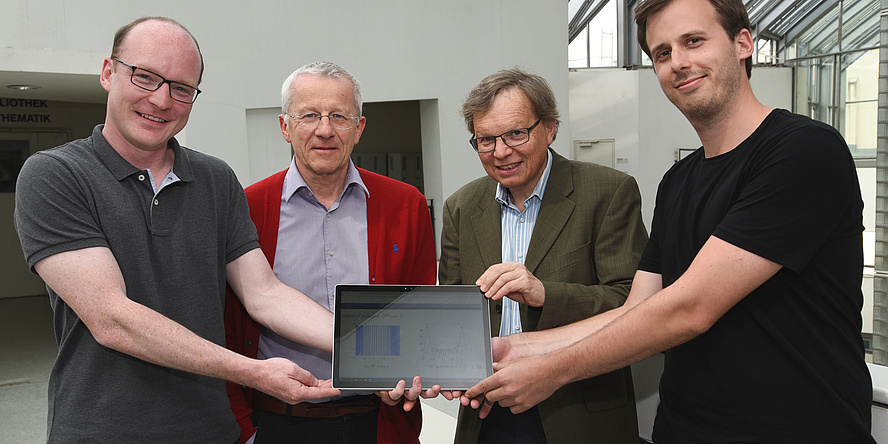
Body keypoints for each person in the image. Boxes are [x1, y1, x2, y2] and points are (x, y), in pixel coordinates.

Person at [461, 0, 875, 442]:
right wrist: (521, 346)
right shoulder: (679, 180)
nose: (678, 63)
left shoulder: (802, 152)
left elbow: (690, 309)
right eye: (662, 53)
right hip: (685, 429)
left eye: (693, 41)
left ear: (743, 43)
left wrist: (552, 370)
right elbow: (636, 309)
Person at [13, 17, 341, 443]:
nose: (162, 99)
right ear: (109, 73)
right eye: (145, 77)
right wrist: (254, 373)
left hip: (210, 431)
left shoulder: (215, 178)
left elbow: (265, 294)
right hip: (101, 432)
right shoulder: (55, 175)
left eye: (181, 88)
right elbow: (113, 319)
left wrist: (367, 343)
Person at [224, 61, 438, 444]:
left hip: (378, 424)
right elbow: (225, 328)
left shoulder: (406, 205)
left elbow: (419, 313)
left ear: (359, 128)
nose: (324, 130)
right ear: (284, 126)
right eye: (309, 115)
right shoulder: (247, 208)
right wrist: (245, 430)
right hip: (275, 424)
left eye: (339, 116)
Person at [438, 68, 648, 443]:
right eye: (485, 139)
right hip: (487, 413)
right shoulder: (461, 207)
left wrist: (545, 294)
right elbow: (452, 313)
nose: (501, 152)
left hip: (576, 410)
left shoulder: (607, 192)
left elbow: (635, 302)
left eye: (516, 133)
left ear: (550, 128)